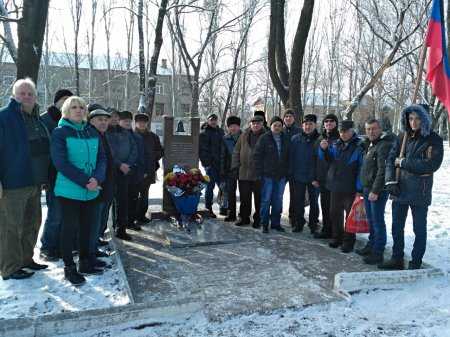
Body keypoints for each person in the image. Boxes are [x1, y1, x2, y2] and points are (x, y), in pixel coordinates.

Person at [380, 104, 443, 270]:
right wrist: (390, 181)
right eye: (411, 118)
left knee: (419, 229)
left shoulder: (433, 139)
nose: (414, 122)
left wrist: (404, 162)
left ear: (425, 119)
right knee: (396, 227)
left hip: (420, 191)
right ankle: (396, 258)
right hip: (399, 189)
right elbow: (390, 160)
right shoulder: (402, 137)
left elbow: (431, 164)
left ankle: (416, 262)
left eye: (418, 118)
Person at [51, 96, 106, 285]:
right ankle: (69, 267)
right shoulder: (60, 132)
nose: (78, 110)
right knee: (69, 228)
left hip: (92, 188)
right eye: (74, 107)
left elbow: (102, 158)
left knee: (87, 227)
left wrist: (97, 179)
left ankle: (85, 261)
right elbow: (61, 163)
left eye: (82, 107)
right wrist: (86, 181)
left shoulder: (91, 131)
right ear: (66, 111)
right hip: (70, 189)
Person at [0, 78, 51, 280]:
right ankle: (9, 268)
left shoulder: (36, 119)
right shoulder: (4, 117)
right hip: (12, 184)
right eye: (22, 93)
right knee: (10, 227)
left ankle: (25, 259)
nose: (27, 97)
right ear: (14, 95)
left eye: (30, 93)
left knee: (32, 223)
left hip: (34, 182)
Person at [319, 120, 364, 253]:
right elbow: (328, 159)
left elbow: (361, 168)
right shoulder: (336, 144)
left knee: (349, 217)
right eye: (341, 132)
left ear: (352, 131)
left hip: (350, 188)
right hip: (335, 186)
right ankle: (336, 237)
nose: (343, 134)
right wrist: (324, 149)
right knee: (334, 213)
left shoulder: (359, 146)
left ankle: (348, 241)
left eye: (345, 131)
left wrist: (359, 188)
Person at [39, 89, 73, 261]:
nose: (66, 102)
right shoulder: (45, 120)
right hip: (53, 174)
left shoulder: (71, 121)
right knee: (55, 213)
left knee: (65, 213)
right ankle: (47, 246)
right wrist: (43, 176)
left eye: (70, 99)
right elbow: (41, 150)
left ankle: (60, 245)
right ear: (57, 101)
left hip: (70, 175)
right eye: (64, 99)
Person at [357, 119, 394, 265]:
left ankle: (378, 252)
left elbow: (382, 170)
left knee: (378, 221)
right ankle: (371, 245)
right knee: (371, 220)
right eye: (368, 129)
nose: (370, 132)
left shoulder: (383, 145)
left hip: (376, 190)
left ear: (380, 129)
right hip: (367, 188)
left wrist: (376, 190)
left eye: (373, 129)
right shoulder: (370, 144)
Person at [87, 108, 115, 268]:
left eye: (106, 120)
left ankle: (94, 244)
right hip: (98, 185)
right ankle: (90, 252)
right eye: (100, 119)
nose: (104, 122)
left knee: (100, 217)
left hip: (106, 183)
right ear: (91, 121)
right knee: (93, 219)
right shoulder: (91, 135)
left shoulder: (102, 135)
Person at [254, 116, 289, 233]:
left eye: (279, 125)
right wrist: (259, 173)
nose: (277, 127)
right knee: (266, 199)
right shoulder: (264, 138)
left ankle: (276, 223)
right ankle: (264, 223)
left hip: (281, 175)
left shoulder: (285, 138)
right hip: (267, 175)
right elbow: (257, 156)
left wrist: (287, 172)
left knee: (278, 200)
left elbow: (289, 156)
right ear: (271, 126)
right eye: (275, 125)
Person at [106, 110, 138, 240]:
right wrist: (120, 164)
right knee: (108, 202)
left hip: (124, 173)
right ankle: (102, 230)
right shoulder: (105, 132)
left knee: (122, 202)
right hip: (110, 172)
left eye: (116, 117)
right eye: (111, 116)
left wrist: (128, 164)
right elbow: (107, 152)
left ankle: (121, 229)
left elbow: (134, 149)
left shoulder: (125, 133)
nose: (114, 119)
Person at [231, 115, 265, 228]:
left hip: (259, 174)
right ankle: (244, 217)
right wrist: (235, 167)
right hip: (244, 172)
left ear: (262, 124)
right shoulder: (244, 135)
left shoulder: (266, 136)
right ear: (250, 124)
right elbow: (236, 151)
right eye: (253, 123)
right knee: (244, 198)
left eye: (258, 123)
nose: (255, 125)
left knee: (259, 198)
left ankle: (258, 219)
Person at [289, 114, 320, 234]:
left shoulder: (320, 139)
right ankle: (299, 222)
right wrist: (291, 173)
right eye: (305, 124)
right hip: (298, 175)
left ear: (315, 125)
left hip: (314, 177)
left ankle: (313, 223)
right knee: (299, 201)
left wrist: (318, 177)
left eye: (310, 124)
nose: (307, 126)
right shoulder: (296, 139)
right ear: (302, 125)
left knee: (314, 202)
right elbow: (291, 157)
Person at [313, 113, 339, 239]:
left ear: (336, 123)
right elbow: (315, 159)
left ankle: (336, 232)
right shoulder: (320, 138)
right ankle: (326, 229)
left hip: (335, 179)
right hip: (322, 178)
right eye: (326, 121)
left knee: (334, 208)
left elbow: (335, 159)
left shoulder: (339, 138)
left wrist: (326, 150)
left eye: (331, 121)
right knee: (324, 205)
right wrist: (315, 177)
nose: (329, 123)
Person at [134, 113, 164, 224]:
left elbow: (160, 151)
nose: (142, 124)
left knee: (145, 194)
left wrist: (152, 156)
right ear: (135, 123)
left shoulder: (153, 136)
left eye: (144, 122)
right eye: (139, 122)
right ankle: (133, 216)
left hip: (149, 169)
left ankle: (142, 215)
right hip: (135, 171)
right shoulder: (131, 135)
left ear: (147, 123)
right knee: (134, 195)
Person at [199, 113, 225, 217]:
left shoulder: (221, 132)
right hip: (210, 165)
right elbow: (202, 151)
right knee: (210, 187)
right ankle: (208, 208)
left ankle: (223, 207)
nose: (213, 121)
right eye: (211, 120)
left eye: (215, 120)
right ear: (208, 121)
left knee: (223, 187)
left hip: (221, 165)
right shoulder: (203, 133)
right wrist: (207, 164)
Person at [220, 116, 242, 222]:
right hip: (230, 170)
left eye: (235, 126)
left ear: (239, 126)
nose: (233, 128)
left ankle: (243, 214)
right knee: (230, 193)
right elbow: (222, 156)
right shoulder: (225, 138)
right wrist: (223, 171)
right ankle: (231, 213)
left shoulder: (244, 137)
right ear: (228, 127)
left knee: (244, 194)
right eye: (231, 126)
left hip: (243, 169)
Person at [283, 109, 302, 225]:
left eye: (290, 116)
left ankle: (293, 216)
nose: (288, 118)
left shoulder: (299, 131)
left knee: (295, 195)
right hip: (281, 167)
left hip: (295, 167)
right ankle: (274, 214)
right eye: (286, 116)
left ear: (294, 118)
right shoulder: (280, 130)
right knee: (277, 193)